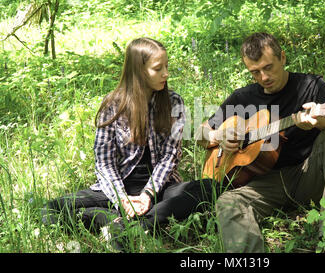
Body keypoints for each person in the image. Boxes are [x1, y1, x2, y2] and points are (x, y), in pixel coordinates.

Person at [42, 37, 218, 251]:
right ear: (139, 71)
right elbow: (104, 163)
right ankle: (111, 219)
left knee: (209, 189)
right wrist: (123, 199)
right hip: (118, 189)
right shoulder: (112, 105)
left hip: (160, 188)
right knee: (51, 209)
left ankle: (137, 223)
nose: (166, 74)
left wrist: (147, 195)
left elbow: (170, 156)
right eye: (158, 68)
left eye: (166, 66)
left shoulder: (173, 102)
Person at [195, 32, 325, 253]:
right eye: (255, 72)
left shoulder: (311, 86)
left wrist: (320, 123)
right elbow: (199, 134)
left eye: (268, 67)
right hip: (263, 183)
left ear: (282, 57)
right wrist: (217, 137)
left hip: (308, 174)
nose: (263, 77)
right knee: (227, 203)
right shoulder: (242, 98)